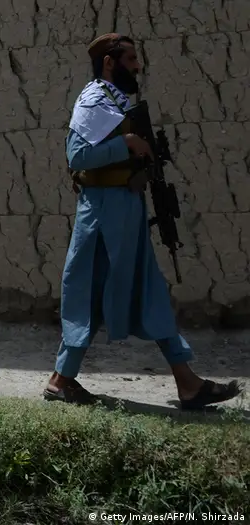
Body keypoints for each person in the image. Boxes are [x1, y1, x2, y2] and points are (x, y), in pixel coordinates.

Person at [46, 33, 240, 409]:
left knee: (149, 290)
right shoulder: (94, 100)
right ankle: (61, 379)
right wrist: (127, 144)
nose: (137, 66)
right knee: (87, 291)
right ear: (109, 62)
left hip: (126, 210)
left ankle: (187, 382)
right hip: (101, 215)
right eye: (131, 59)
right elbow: (78, 156)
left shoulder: (116, 103)